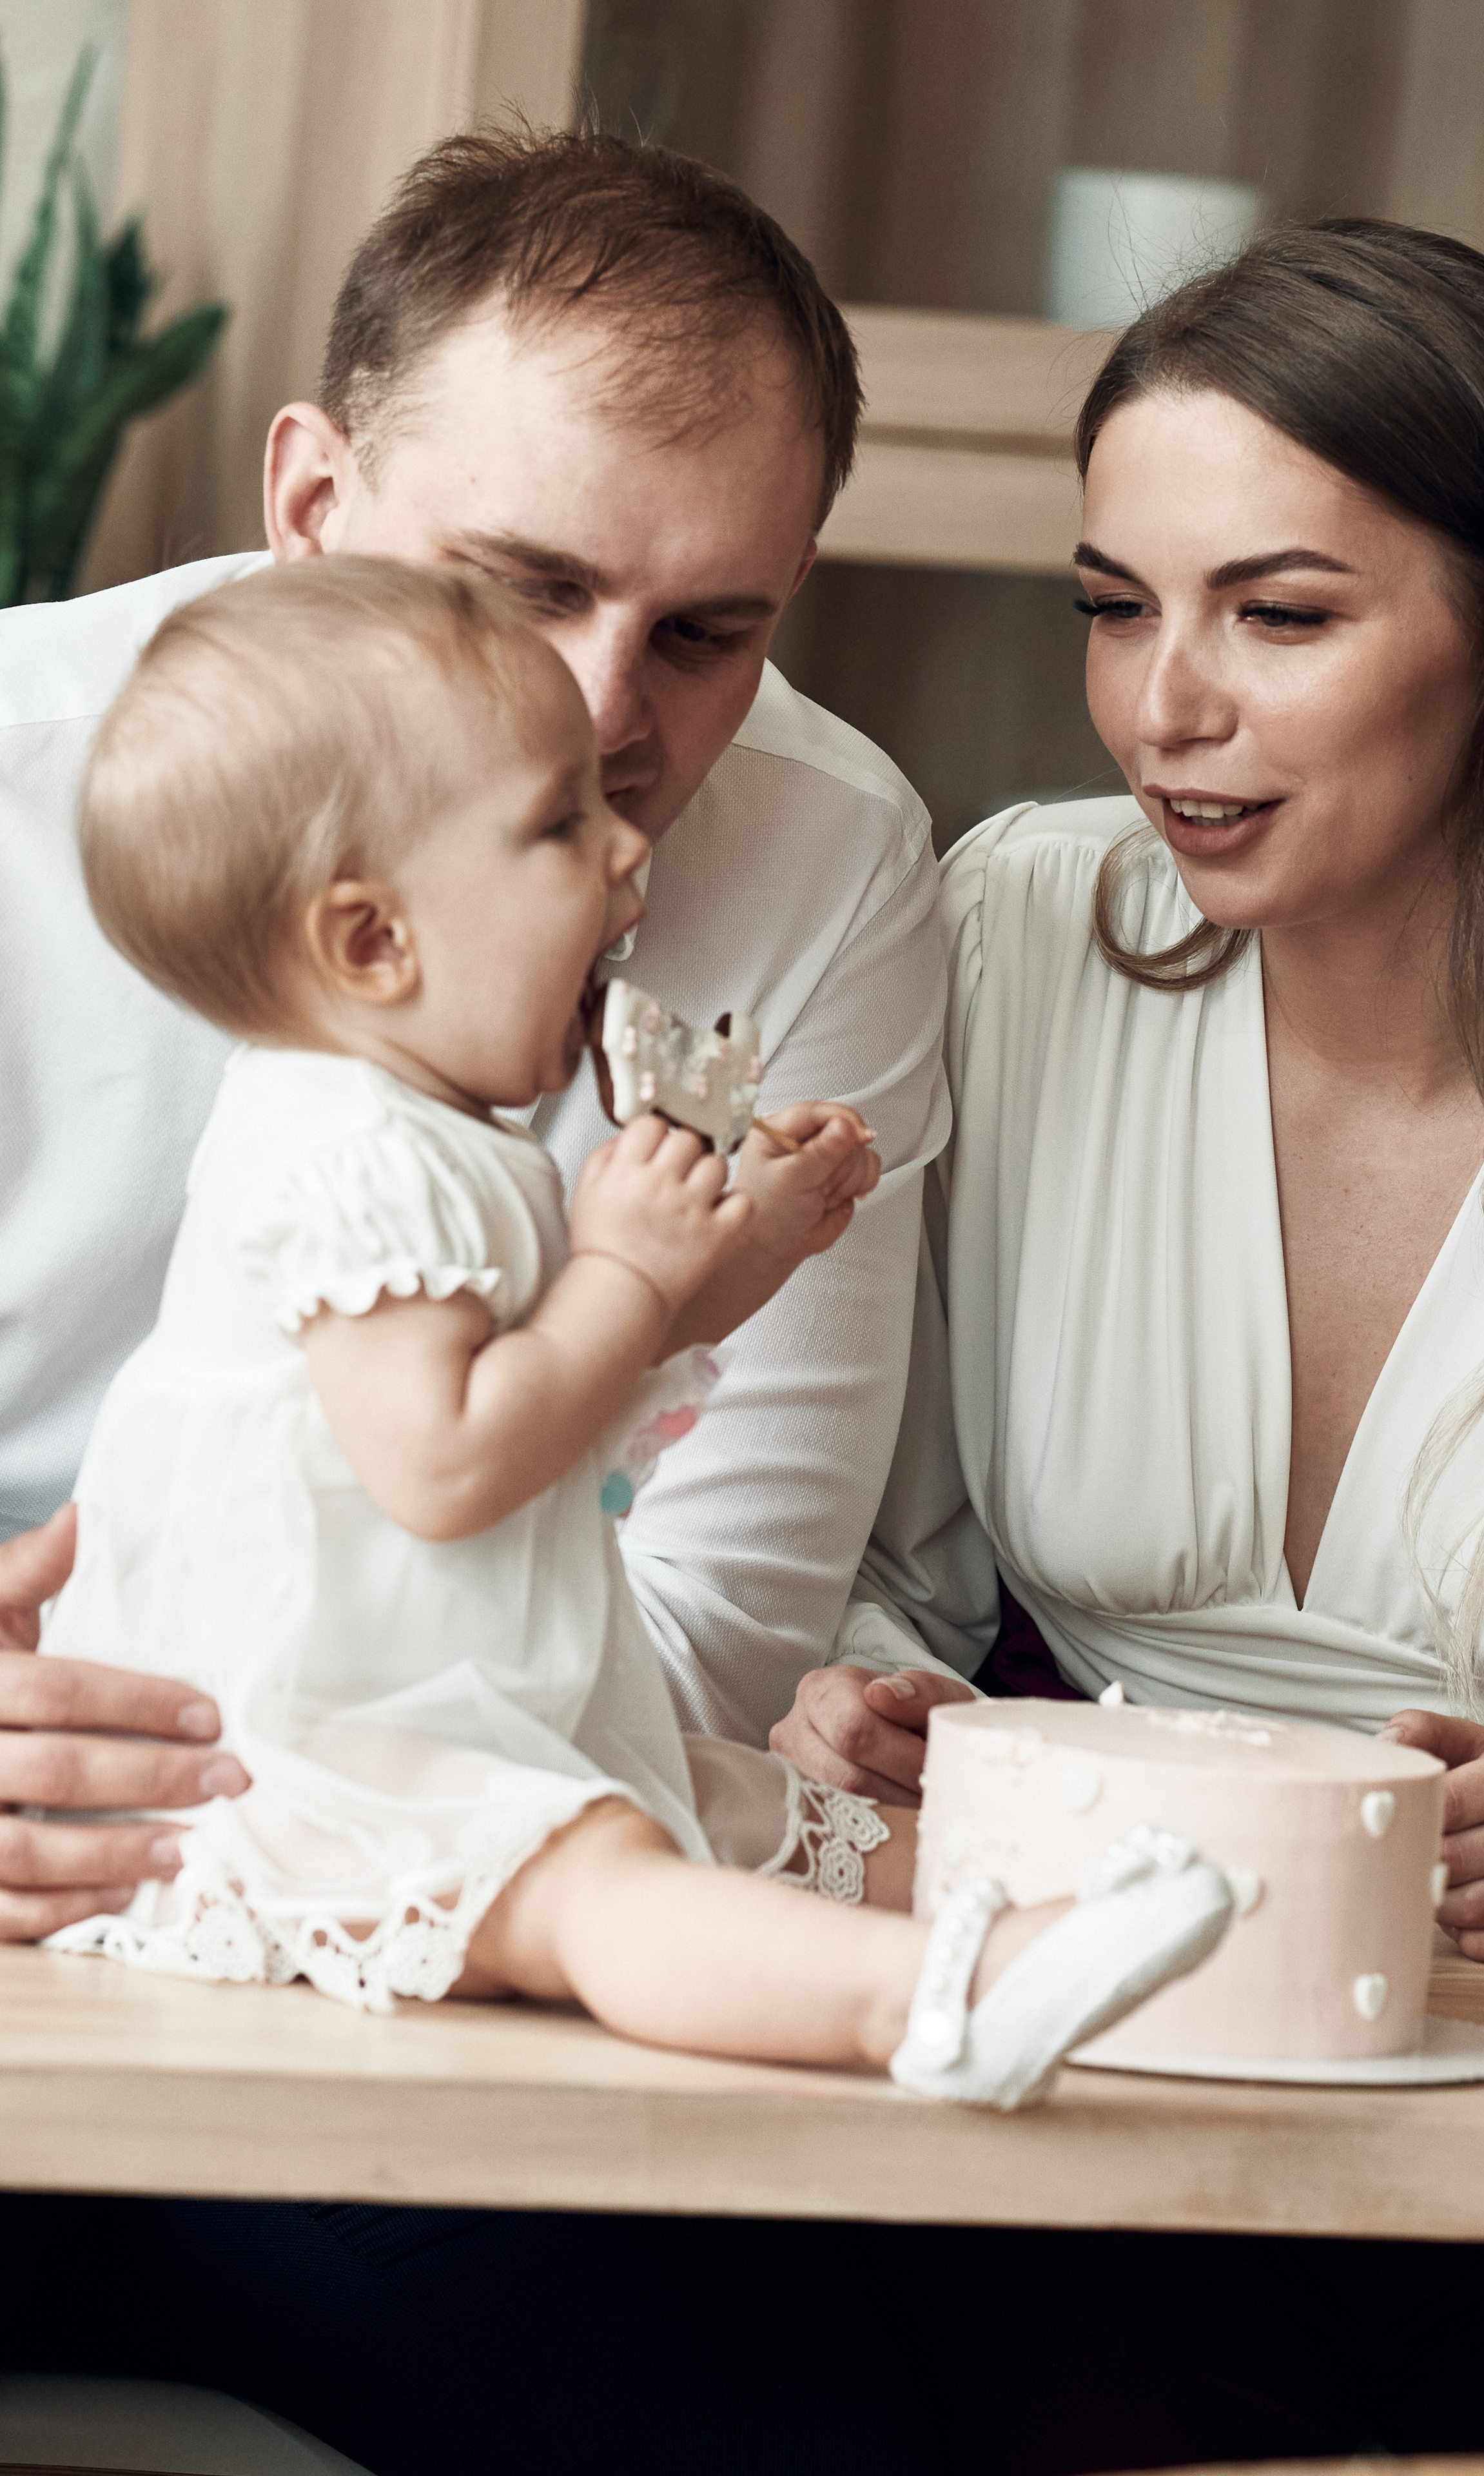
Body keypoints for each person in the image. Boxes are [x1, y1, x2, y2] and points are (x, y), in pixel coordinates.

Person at [37, 553, 1232, 2103]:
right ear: (369, 943)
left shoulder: (437, 1133)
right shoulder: (338, 1154)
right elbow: (447, 1465)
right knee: (600, 1881)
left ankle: (1094, 1920)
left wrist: (749, 1245)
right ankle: (939, 2002)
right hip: (325, 1758)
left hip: (480, 1695)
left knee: (750, 1815)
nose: (627, 858)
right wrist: (616, 1269)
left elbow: (597, 1371)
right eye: (555, 829)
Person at [0, 126, 947, 1954]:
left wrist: (303, 1811)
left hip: (481, 1853)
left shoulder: (833, 853)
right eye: (520, 586)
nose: (605, 729)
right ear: (309, 510)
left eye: (706, 634)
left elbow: (714, 1618)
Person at [776, 216, 1484, 1966]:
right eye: (1115, 610)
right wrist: (875, 1695)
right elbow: (878, 1533)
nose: (1164, 705)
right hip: (1080, 1928)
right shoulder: (1013, 930)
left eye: (1280, 615)